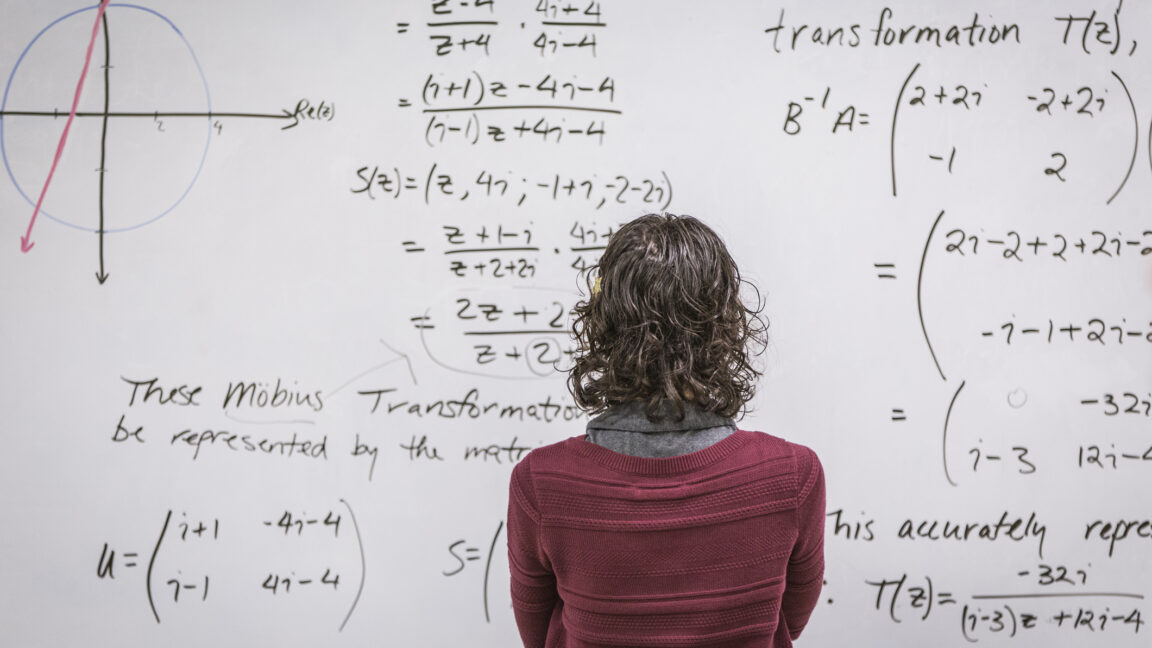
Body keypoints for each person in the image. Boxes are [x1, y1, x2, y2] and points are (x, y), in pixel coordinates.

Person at [507, 213, 825, 647]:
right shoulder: (792, 476)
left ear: (603, 320)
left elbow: (539, 635)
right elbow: (787, 623)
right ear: (725, 322)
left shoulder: (542, 483)